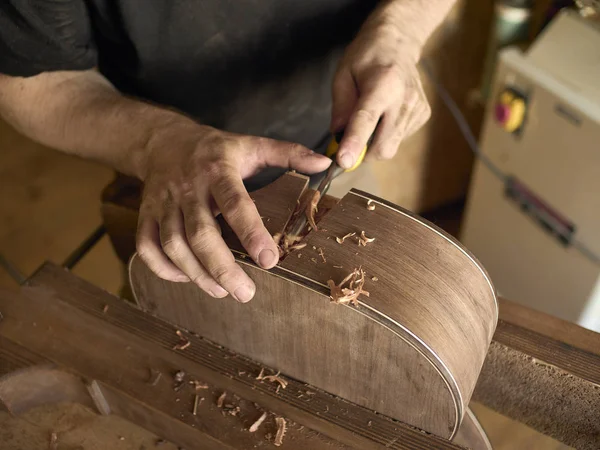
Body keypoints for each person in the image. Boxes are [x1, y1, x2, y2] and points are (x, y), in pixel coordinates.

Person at [0, 0, 455, 302]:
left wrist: (401, 28)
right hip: (166, 169)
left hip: (335, 141)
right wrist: (158, 141)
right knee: (174, 342)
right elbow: (28, 80)